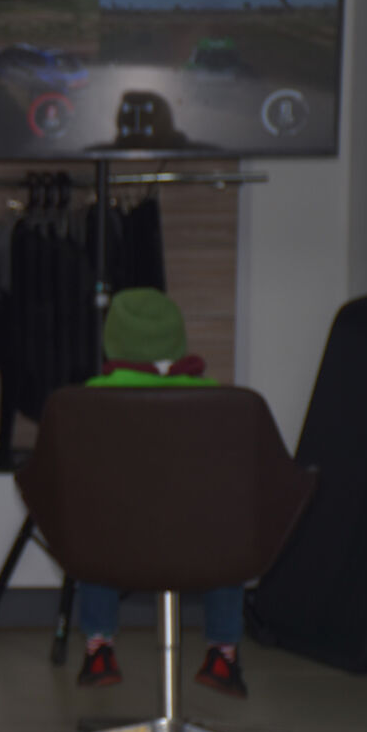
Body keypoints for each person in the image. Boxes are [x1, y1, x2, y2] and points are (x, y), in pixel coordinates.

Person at [75, 287, 248, 696]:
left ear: (113, 339)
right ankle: (223, 653)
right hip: (199, 547)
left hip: (119, 549)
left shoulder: (91, 397)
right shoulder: (216, 397)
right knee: (228, 522)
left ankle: (99, 646)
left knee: (92, 519)